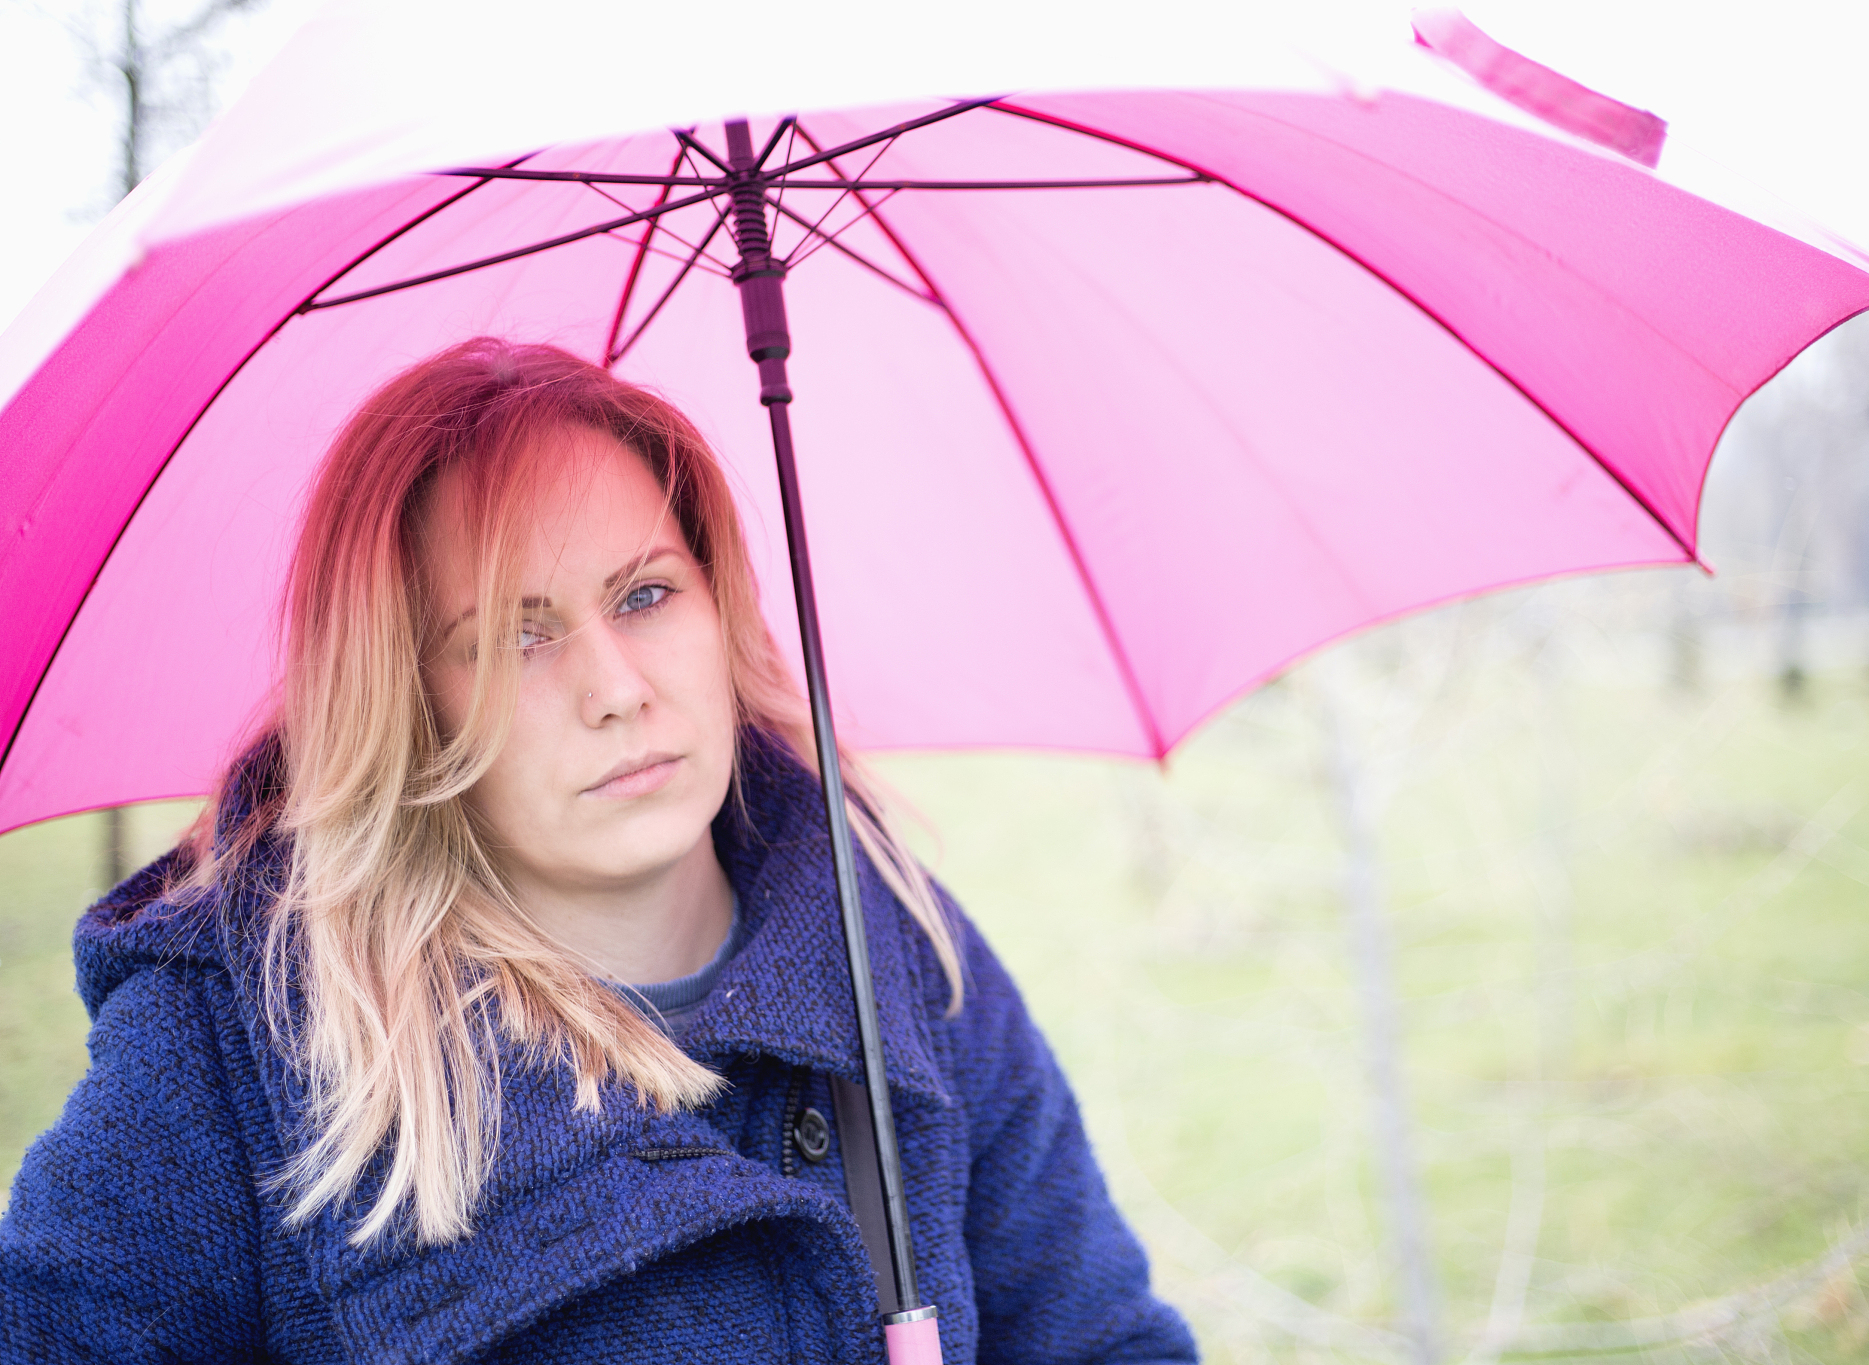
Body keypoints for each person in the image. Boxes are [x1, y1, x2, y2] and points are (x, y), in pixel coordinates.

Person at [0, 339, 1198, 1364]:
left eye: (643, 596)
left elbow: (1099, 1338)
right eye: (515, 636)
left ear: (719, 597)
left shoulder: (890, 942)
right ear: (403, 699)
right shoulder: (248, 1044)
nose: (616, 691)